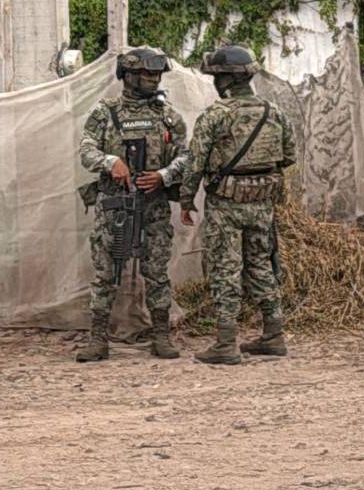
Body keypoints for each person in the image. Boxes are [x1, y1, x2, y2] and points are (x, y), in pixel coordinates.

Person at [75, 47, 190, 363]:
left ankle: (161, 336)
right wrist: (111, 161)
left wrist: (164, 176)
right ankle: (98, 339)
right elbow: (86, 151)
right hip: (114, 205)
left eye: (156, 74)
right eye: (145, 73)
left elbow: (186, 155)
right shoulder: (106, 113)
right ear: (127, 75)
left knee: (156, 271)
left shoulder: (167, 115)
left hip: (153, 205)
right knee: (106, 271)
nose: (153, 79)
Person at [183, 44, 294, 365]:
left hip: (226, 204)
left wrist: (187, 199)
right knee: (261, 264)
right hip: (262, 202)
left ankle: (226, 342)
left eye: (217, 78)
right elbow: (289, 156)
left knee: (225, 268)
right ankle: (273, 334)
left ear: (226, 80)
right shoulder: (274, 112)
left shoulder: (216, 115)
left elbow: (195, 163)